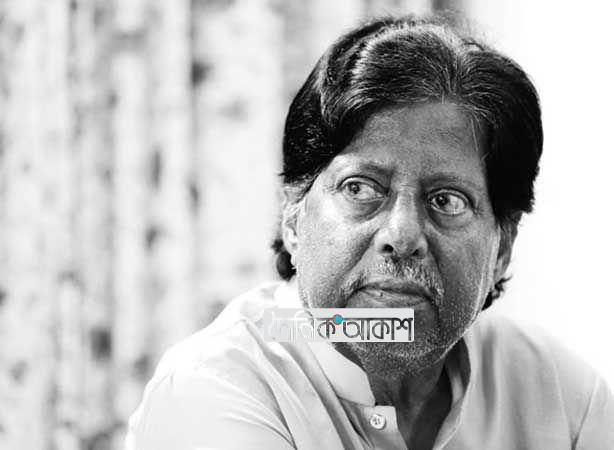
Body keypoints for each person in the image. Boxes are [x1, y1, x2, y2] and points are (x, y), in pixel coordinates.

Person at [124, 16, 614, 449]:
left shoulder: (560, 395)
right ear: (293, 217)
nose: (402, 235)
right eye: (360, 188)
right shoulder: (216, 390)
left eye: (447, 200)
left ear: (503, 246)